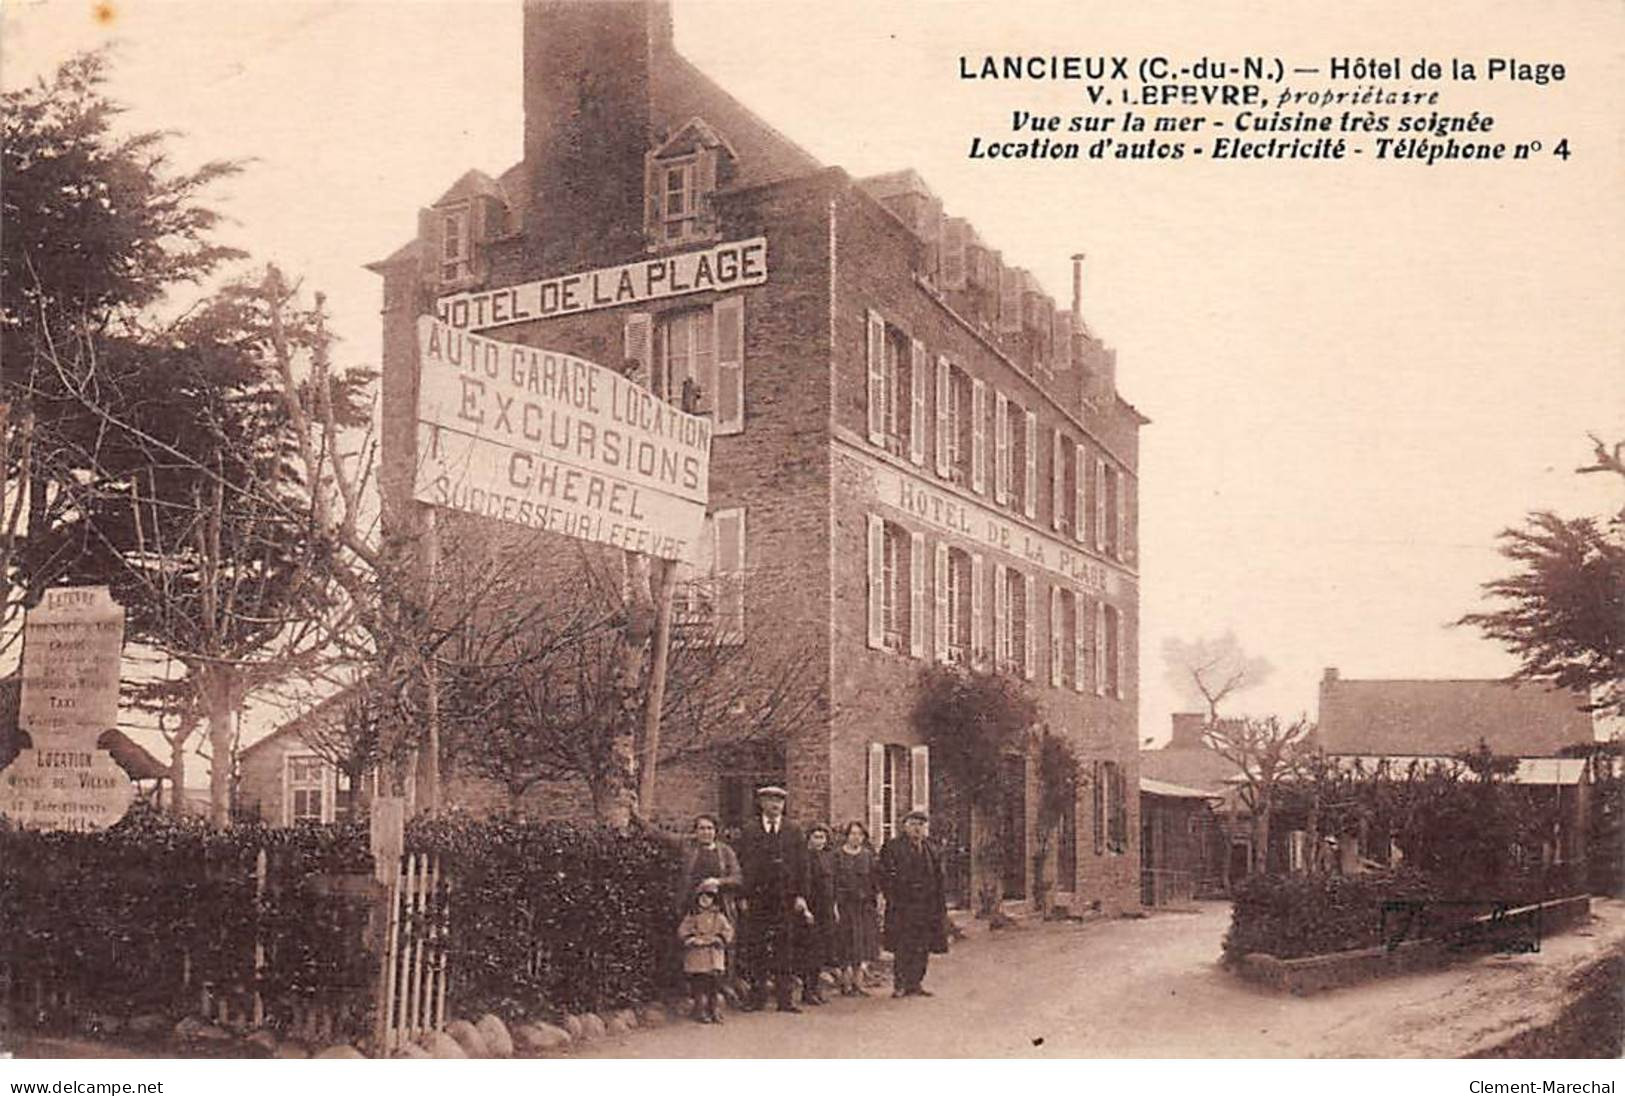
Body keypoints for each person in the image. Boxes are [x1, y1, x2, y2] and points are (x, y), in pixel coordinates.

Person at [734, 784, 809, 1012]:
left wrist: (800, 896)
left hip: (784, 898)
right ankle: (757, 998)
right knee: (756, 947)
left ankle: (785, 1000)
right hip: (757, 897)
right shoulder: (750, 830)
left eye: (779, 801)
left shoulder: (793, 830)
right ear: (761, 804)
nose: (775, 805)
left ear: (783, 805)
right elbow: (743, 864)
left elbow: (802, 866)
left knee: (784, 947)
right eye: (769, 800)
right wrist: (743, 896)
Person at [877, 809, 949, 998]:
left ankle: (915, 982)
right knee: (903, 946)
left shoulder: (931, 848)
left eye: (921, 825)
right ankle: (900, 984)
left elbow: (939, 878)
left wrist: (939, 906)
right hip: (903, 906)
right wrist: (893, 898)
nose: (917, 829)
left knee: (922, 946)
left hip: (926, 907)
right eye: (913, 824)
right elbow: (884, 876)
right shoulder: (893, 848)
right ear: (905, 826)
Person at [833, 820, 880, 996]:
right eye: (853, 834)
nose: (856, 838)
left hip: (863, 906)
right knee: (845, 943)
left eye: (859, 834)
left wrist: (875, 899)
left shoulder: (867, 855)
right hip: (844, 906)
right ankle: (845, 984)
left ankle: (858, 984)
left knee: (861, 943)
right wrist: (835, 904)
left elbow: (874, 880)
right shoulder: (837, 855)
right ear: (846, 836)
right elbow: (834, 881)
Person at [677, 880, 735, 1024]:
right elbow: (683, 930)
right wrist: (692, 939)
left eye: (709, 897)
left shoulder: (719, 917)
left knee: (714, 985)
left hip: (713, 954)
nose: (705, 900)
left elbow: (728, 930)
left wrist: (719, 938)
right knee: (699, 984)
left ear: (714, 900)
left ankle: (714, 1010)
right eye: (702, 897)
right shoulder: (692, 916)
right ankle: (699, 1010)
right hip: (698, 955)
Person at [798, 822, 837, 1006]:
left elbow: (833, 884)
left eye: (822, 837)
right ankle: (807, 990)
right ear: (809, 838)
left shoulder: (828, 857)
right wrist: (805, 909)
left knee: (821, 951)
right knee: (809, 951)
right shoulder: (803, 858)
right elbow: (801, 885)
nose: (819, 841)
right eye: (816, 837)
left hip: (826, 909)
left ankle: (815, 989)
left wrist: (834, 907)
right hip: (810, 909)